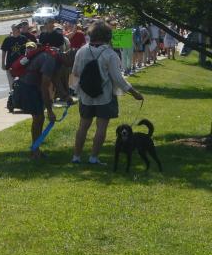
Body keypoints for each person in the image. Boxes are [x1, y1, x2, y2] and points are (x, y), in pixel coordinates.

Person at [70, 20, 144, 164]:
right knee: (101, 127)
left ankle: (76, 157)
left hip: (85, 96)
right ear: (108, 36)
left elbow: (75, 72)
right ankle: (93, 158)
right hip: (105, 96)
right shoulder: (110, 54)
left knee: (83, 126)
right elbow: (118, 78)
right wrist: (134, 93)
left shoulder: (82, 51)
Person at [21, 31, 64, 158]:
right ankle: (35, 151)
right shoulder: (49, 57)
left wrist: (65, 95)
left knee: (39, 119)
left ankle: (36, 149)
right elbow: (45, 86)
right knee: (38, 119)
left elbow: (54, 78)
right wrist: (50, 111)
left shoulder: (48, 54)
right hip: (30, 88)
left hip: (32, 87)